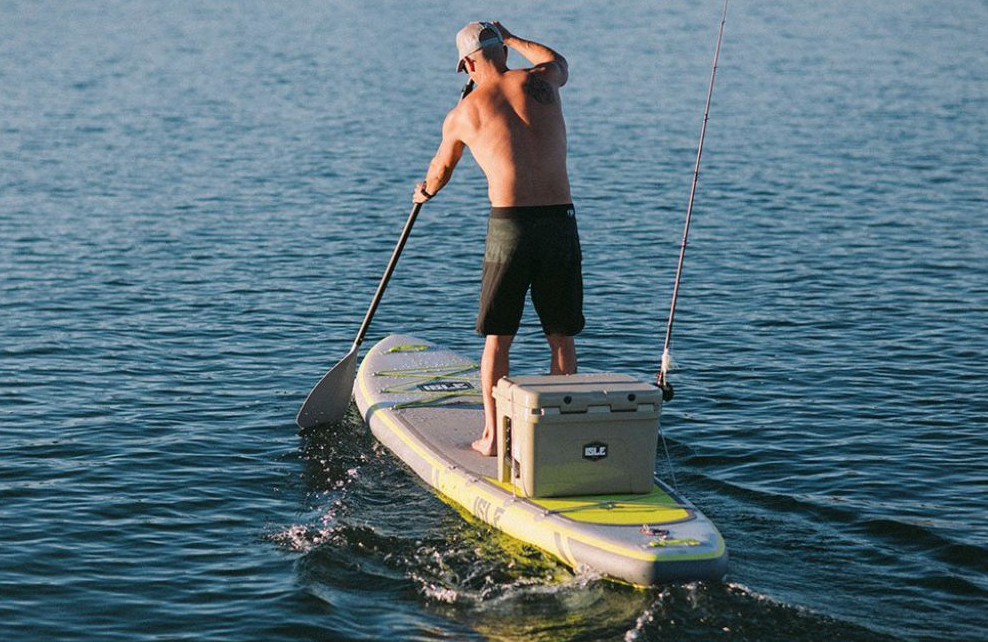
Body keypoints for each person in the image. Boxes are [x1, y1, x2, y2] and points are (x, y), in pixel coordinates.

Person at [413, 21, 584, 456]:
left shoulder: (462, 114)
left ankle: (491, 438)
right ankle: (560, 436)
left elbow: (440, 172)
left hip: (510, 227)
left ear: (468, 63)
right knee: (561, 336)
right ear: (503, 53)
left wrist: (424, 192)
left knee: (498, 337)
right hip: (559, 220)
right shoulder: (542, 81)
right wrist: (511, 38)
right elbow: (557, 61)